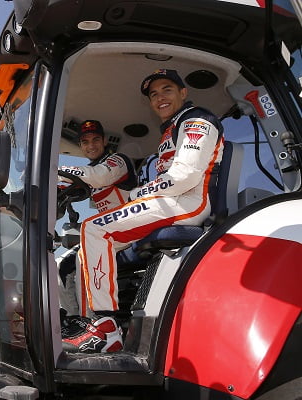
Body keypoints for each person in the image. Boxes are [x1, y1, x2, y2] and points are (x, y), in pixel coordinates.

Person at [63, 69, 224, 353]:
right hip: (173, 200)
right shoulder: (172, 128)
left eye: (167, 90)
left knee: (95, 229)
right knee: (88, 243)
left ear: (183, 92)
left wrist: (139, 193)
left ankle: (106, 328)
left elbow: (185, 175)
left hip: (188, 202)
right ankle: (95, 323)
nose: (160, 97)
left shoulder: (196, 119)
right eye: (154, 94)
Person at [56, 120, 137, 337]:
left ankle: (92, 324)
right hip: (107, 232)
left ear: (104, 141)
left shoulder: (118, 161)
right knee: (61, 264)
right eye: (85, 142)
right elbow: (69, 184)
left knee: (84, 256)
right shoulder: (89, 171)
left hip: (131, 227)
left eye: (95, 140)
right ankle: (74, 320)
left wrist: (56, 169)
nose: (91, 145)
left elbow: (99, 176)